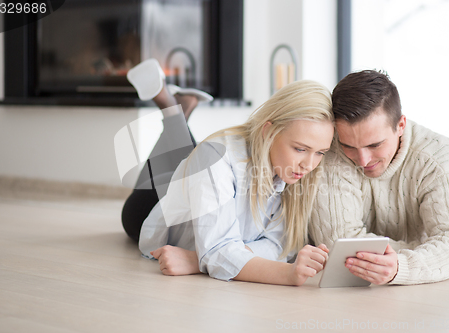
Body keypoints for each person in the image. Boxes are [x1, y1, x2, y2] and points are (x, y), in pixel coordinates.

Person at [121, 59, 335, 286]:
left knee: (193, 156)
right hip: (151, 205)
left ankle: (177, 111)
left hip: (199, 179)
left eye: (320, 152)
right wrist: (286, 274)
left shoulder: (296, 172)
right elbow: (217, 251)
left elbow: (278, 246)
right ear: (268, 131)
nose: (309, 165)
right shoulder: (216, 158)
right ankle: (172, 111)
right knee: (202, 156)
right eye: (300, 149)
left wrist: (197, 260)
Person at [308, 70, 449, 286]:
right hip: (342, 291)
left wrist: (399, 267)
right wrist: (432, 252)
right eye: (349, 146)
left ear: (401, 125)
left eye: (375, 145)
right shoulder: (330, 150)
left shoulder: (438, 157)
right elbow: (338, 244)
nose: (363, 160)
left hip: (421, 294)